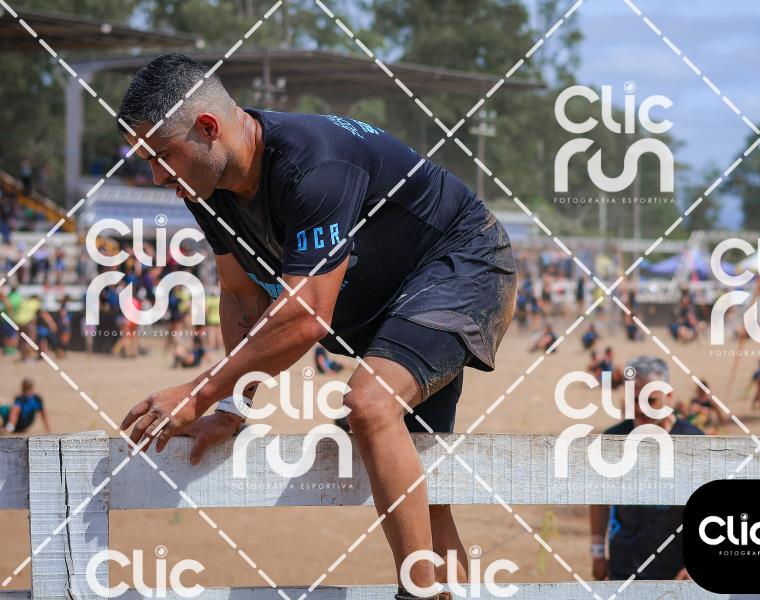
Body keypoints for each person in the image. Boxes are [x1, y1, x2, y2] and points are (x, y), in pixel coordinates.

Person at [116, 54, 516, 600]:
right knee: (422, 496)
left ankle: (418, 596)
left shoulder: (313, 165)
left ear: (207, 128)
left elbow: (306, 318)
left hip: (462, 263)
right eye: (147, 162)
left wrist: (197, 392)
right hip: (388, 300)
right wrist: (232, 409)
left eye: (162, 156)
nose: (158, 177)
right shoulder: (204, 187)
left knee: (370, 406)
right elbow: (242, 295)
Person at [590, 355, 701, 581]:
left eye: (651, 401)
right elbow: (598, 499)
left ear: (669, 396)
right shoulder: (614, 439)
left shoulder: (693, 441)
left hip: (676, 572)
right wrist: (598, 552)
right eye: (634, 400)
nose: (641, 409)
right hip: (624, 568)